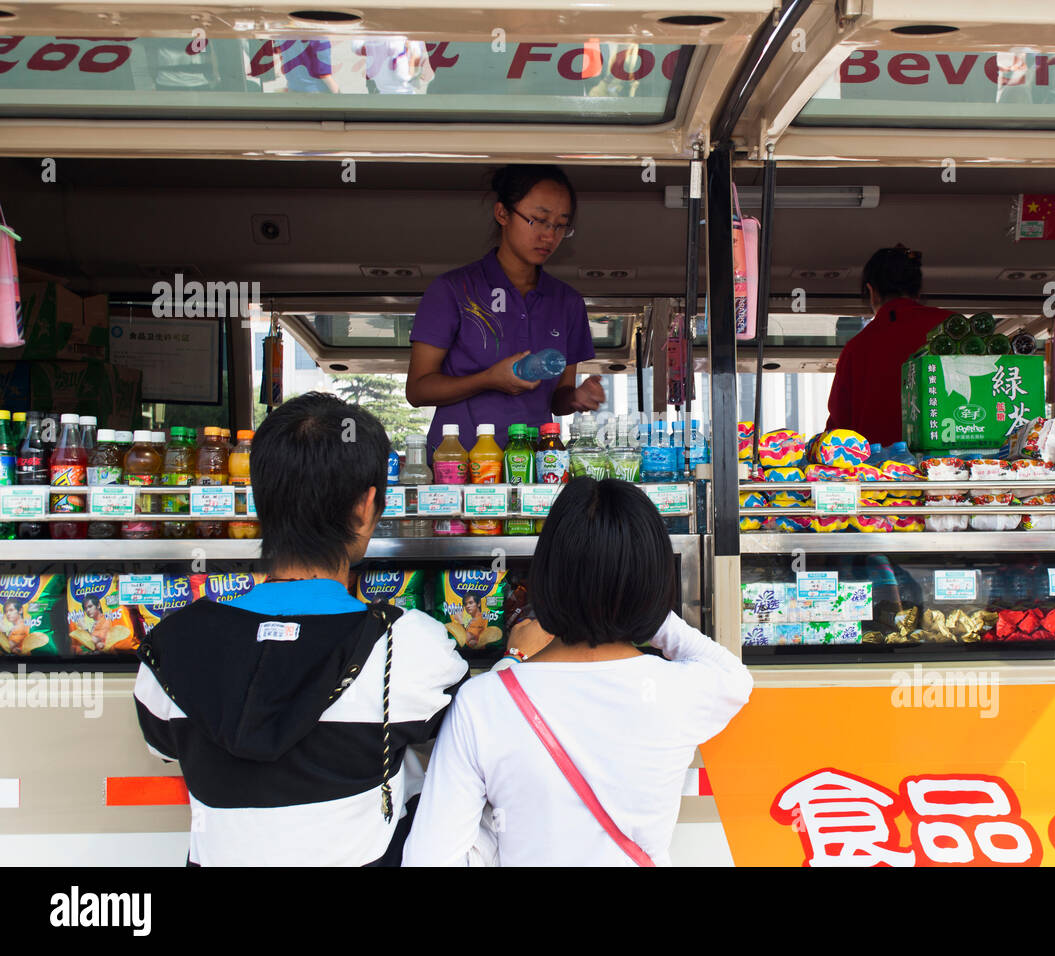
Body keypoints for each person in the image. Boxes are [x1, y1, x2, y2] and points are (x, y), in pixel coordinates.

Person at [133, 393, 468, 866]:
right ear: (367, 506)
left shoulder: (171, 643)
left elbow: (163, 746)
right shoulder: (410, 646)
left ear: (256, 501)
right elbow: (469, 744)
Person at [402, 478, 753, 866]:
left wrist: (513, 659)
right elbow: (733, 675)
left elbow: (430, 857)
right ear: (655, 583)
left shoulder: (482, 701)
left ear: (545, 577)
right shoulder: (679, 691)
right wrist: (642, 611)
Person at [405, 165, 605, 459]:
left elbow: (557, 400)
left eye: (561, 225)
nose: (549, 235)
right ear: (502, 214)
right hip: (460, 463)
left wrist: (576, 397)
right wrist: (489, 379)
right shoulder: (453, 289)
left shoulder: (568, 302)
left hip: (536, 463)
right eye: (538, 220)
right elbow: (418, 390)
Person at [825, 243, 949, 444]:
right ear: (917, 290)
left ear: (872, 291)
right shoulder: (953, 328)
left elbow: (838, 433)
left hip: (882, 472)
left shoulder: (856, 349)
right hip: (956, 468)